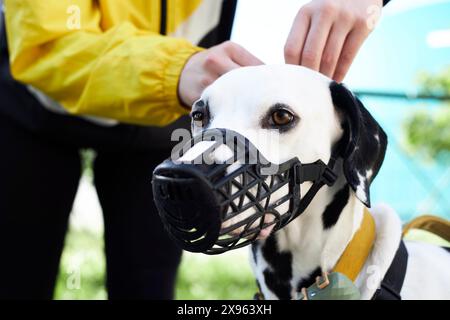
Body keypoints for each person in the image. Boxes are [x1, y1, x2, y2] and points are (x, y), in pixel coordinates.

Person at [0, 0, 389, 300]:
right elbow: (44, 41)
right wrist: (174, 70)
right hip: (36, 108)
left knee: (147, 286)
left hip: (170, 113)